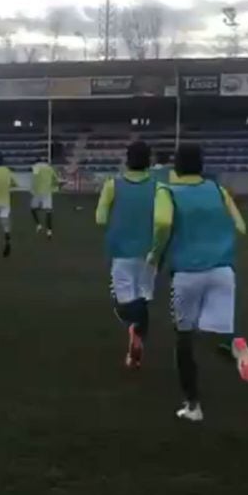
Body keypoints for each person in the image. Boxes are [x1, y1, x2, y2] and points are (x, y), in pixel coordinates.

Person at [149, 143, 248, 423]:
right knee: (213, 332)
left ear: (177, 165)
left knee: (184, 339)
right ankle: (237, 349)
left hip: (188, 273)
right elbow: (241, 226)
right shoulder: (217, 189)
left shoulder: (167, 191)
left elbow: (161, 223)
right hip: (222, 270)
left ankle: (193, 406)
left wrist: (155, 253)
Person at [95, 141, 156, 369]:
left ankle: (133, 328)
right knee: (142, 298)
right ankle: (137, 345)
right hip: (150, 251)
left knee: (123, 302)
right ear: (148, 160)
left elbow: (100, 218)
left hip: (121, 251)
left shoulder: (113, 185)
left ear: (127, 159)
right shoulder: (158, 186)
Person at [30, 158, 60, 239]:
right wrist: (56, 186)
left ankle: (38, 225)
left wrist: (32, 189)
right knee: (48, 211)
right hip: (47, 191)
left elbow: (34, 178)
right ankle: (49, 231)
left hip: (38, 191)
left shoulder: (36, 167)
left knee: (33, 209)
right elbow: (55, 180)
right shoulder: (50, 168)